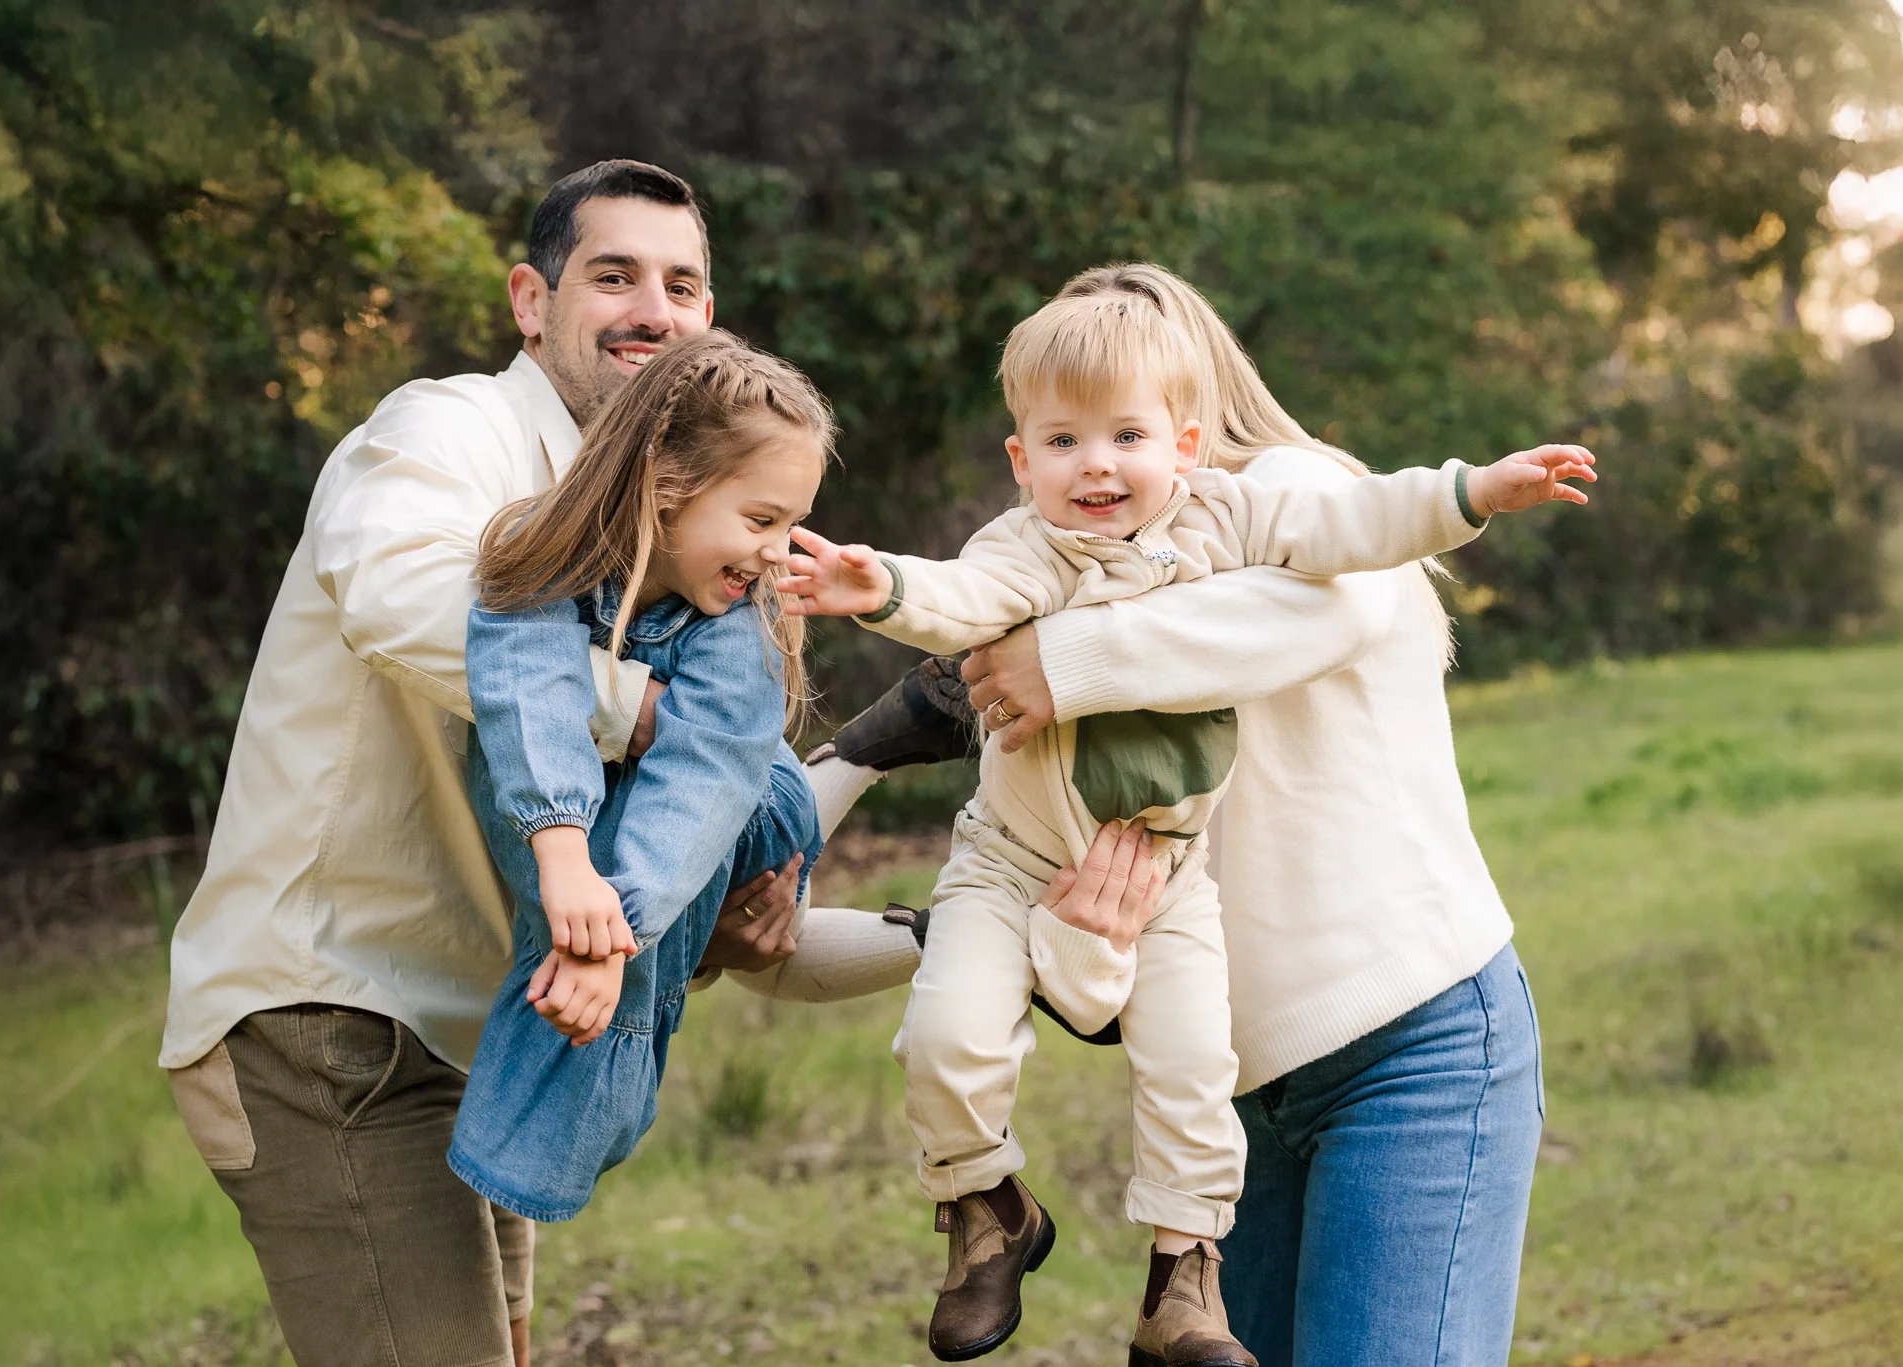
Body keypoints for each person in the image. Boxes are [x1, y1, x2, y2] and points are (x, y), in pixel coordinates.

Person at [783, 289, 1594, 1366]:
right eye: (1065, 429)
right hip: (1246, 1078)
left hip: (1412, 1040)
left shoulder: (1283, 493)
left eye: (1125, 416)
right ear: (1025, 448)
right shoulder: (1063, 553)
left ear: (1188, 400)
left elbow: (1340, 600)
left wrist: (1057, 664)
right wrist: (1069, 936)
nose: (1098, 455)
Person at [158, 160, 867, 1367]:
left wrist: (718, 889)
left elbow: (689, 796)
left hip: (493, 1030)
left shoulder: (676, 531)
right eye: (614, 275)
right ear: (529, 303)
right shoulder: (445, 431)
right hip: (333, 1017)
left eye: (684, 284)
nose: (656, 308)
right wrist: (648, 711)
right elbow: (405, 601)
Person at [447, 331, 834, 1221]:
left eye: (790, 525)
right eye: (761, 520)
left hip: (748, 801)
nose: (779, 552)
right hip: (619, 815)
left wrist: (608, 933)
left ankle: (587, 1053)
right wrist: (565, 860)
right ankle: (862, 765)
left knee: (619, 890)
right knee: (540, 784)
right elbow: (526, 691)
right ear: (666, 489)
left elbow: (707, 773)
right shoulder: (543, 546)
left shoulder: (742, 614)